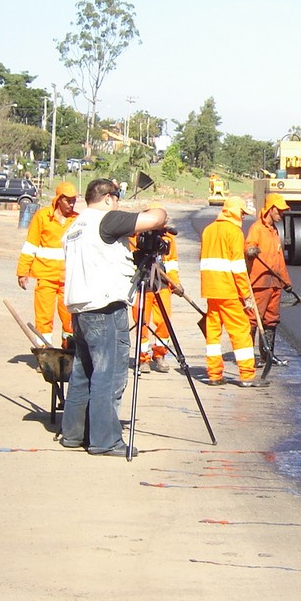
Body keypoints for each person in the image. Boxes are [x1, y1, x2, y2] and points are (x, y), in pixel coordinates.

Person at [56, 178, 168, 457]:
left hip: (80, 310)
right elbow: (156, 217)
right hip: (105, 307)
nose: (118, 203)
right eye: (117, 198)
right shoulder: (106, 220)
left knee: (83, 373)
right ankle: (104, 440)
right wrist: (160, 215)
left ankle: (73, 434)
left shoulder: (74, 226)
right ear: (107, 198)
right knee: (110, 374)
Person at [200, 195, 267, 387]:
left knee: (213, 332)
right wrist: (246, 295)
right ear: (235, 212)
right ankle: (247, 375)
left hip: (210, 289)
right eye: (243, 213)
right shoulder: (234, 232)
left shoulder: (208, 230)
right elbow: (238, 268)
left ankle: (214, 374)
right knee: (240, 330)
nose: (244, 217)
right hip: (228, 290)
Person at [16, 181, 79, 347]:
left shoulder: (77, 220)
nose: (71, 204)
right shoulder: (42, 217)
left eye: (74, 200)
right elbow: (30, 246)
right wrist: (23, 272)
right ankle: (44, 351)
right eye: (68, 200)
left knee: (70, 319)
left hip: (69, 280)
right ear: (58, 199)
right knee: (44, 318)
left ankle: (69, 349)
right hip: (46, 277)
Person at [129, 202, 182, 373]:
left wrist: (175, 283)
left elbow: (172, 263)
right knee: (142, 322)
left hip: (162, 284)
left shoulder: (168, 238)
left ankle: (160, 355)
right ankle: (142, 357)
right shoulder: (135, 235)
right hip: (141, 283)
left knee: (164, 322)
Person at [245, 192, 293, 367]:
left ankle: (267, 356)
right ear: (270, 209)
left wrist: (286, 281)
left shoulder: (274, 231)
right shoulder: (257, 228)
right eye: (279, 211)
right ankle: (248, 357)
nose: (281, 214)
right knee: (253, 319)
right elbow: (249, 245)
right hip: (260, 283)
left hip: (274, 283)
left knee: (271, 320)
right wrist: (251, 251)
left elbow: (279, 259)